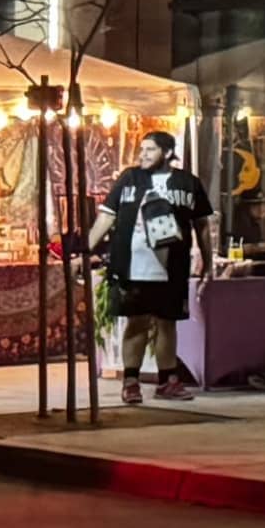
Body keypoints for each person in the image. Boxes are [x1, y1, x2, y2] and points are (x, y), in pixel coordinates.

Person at [92, 131, 206, 405]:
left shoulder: (187, 183)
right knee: (136, 323)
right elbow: (105, 219)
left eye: (150, 149)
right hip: (133, 267)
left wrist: (207, 261)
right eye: (141, 149)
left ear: (167, 153)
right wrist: (84, 251)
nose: (142, 154)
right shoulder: (130, 179)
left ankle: (168, 381)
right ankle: (131, 381)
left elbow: (202, 225)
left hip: (172, 267)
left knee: (167, 324)